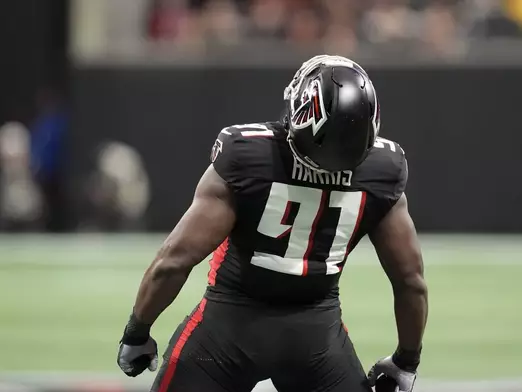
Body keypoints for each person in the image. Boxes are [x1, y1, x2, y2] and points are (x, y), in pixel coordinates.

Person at [117, 55, 428, 392]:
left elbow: (174, 262)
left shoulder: (248, 153)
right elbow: (410, 281)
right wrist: (405, 361)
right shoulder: (384, 169)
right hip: (318, 338)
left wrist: (138, 331)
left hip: (227, 328)